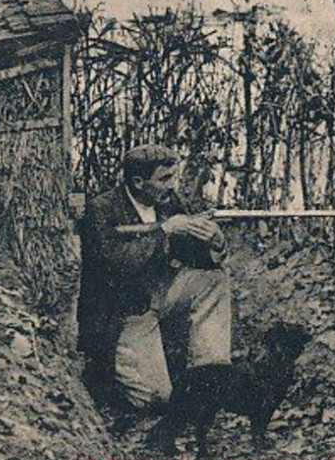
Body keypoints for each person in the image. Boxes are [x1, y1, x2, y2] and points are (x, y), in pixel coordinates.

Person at [76, 144, 233, 415]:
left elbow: (197, 259)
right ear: (138, 181)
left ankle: (209, 380)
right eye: (164, 179)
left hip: (162, 296)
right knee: (156, 401)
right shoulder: (102, 209)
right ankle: (112, 381)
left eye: (173, 177)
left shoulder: (169, 202)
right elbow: (118, 263)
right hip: (124, 313)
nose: (172, 186)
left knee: (213, 280)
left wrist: (215, 240)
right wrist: (164, 233)